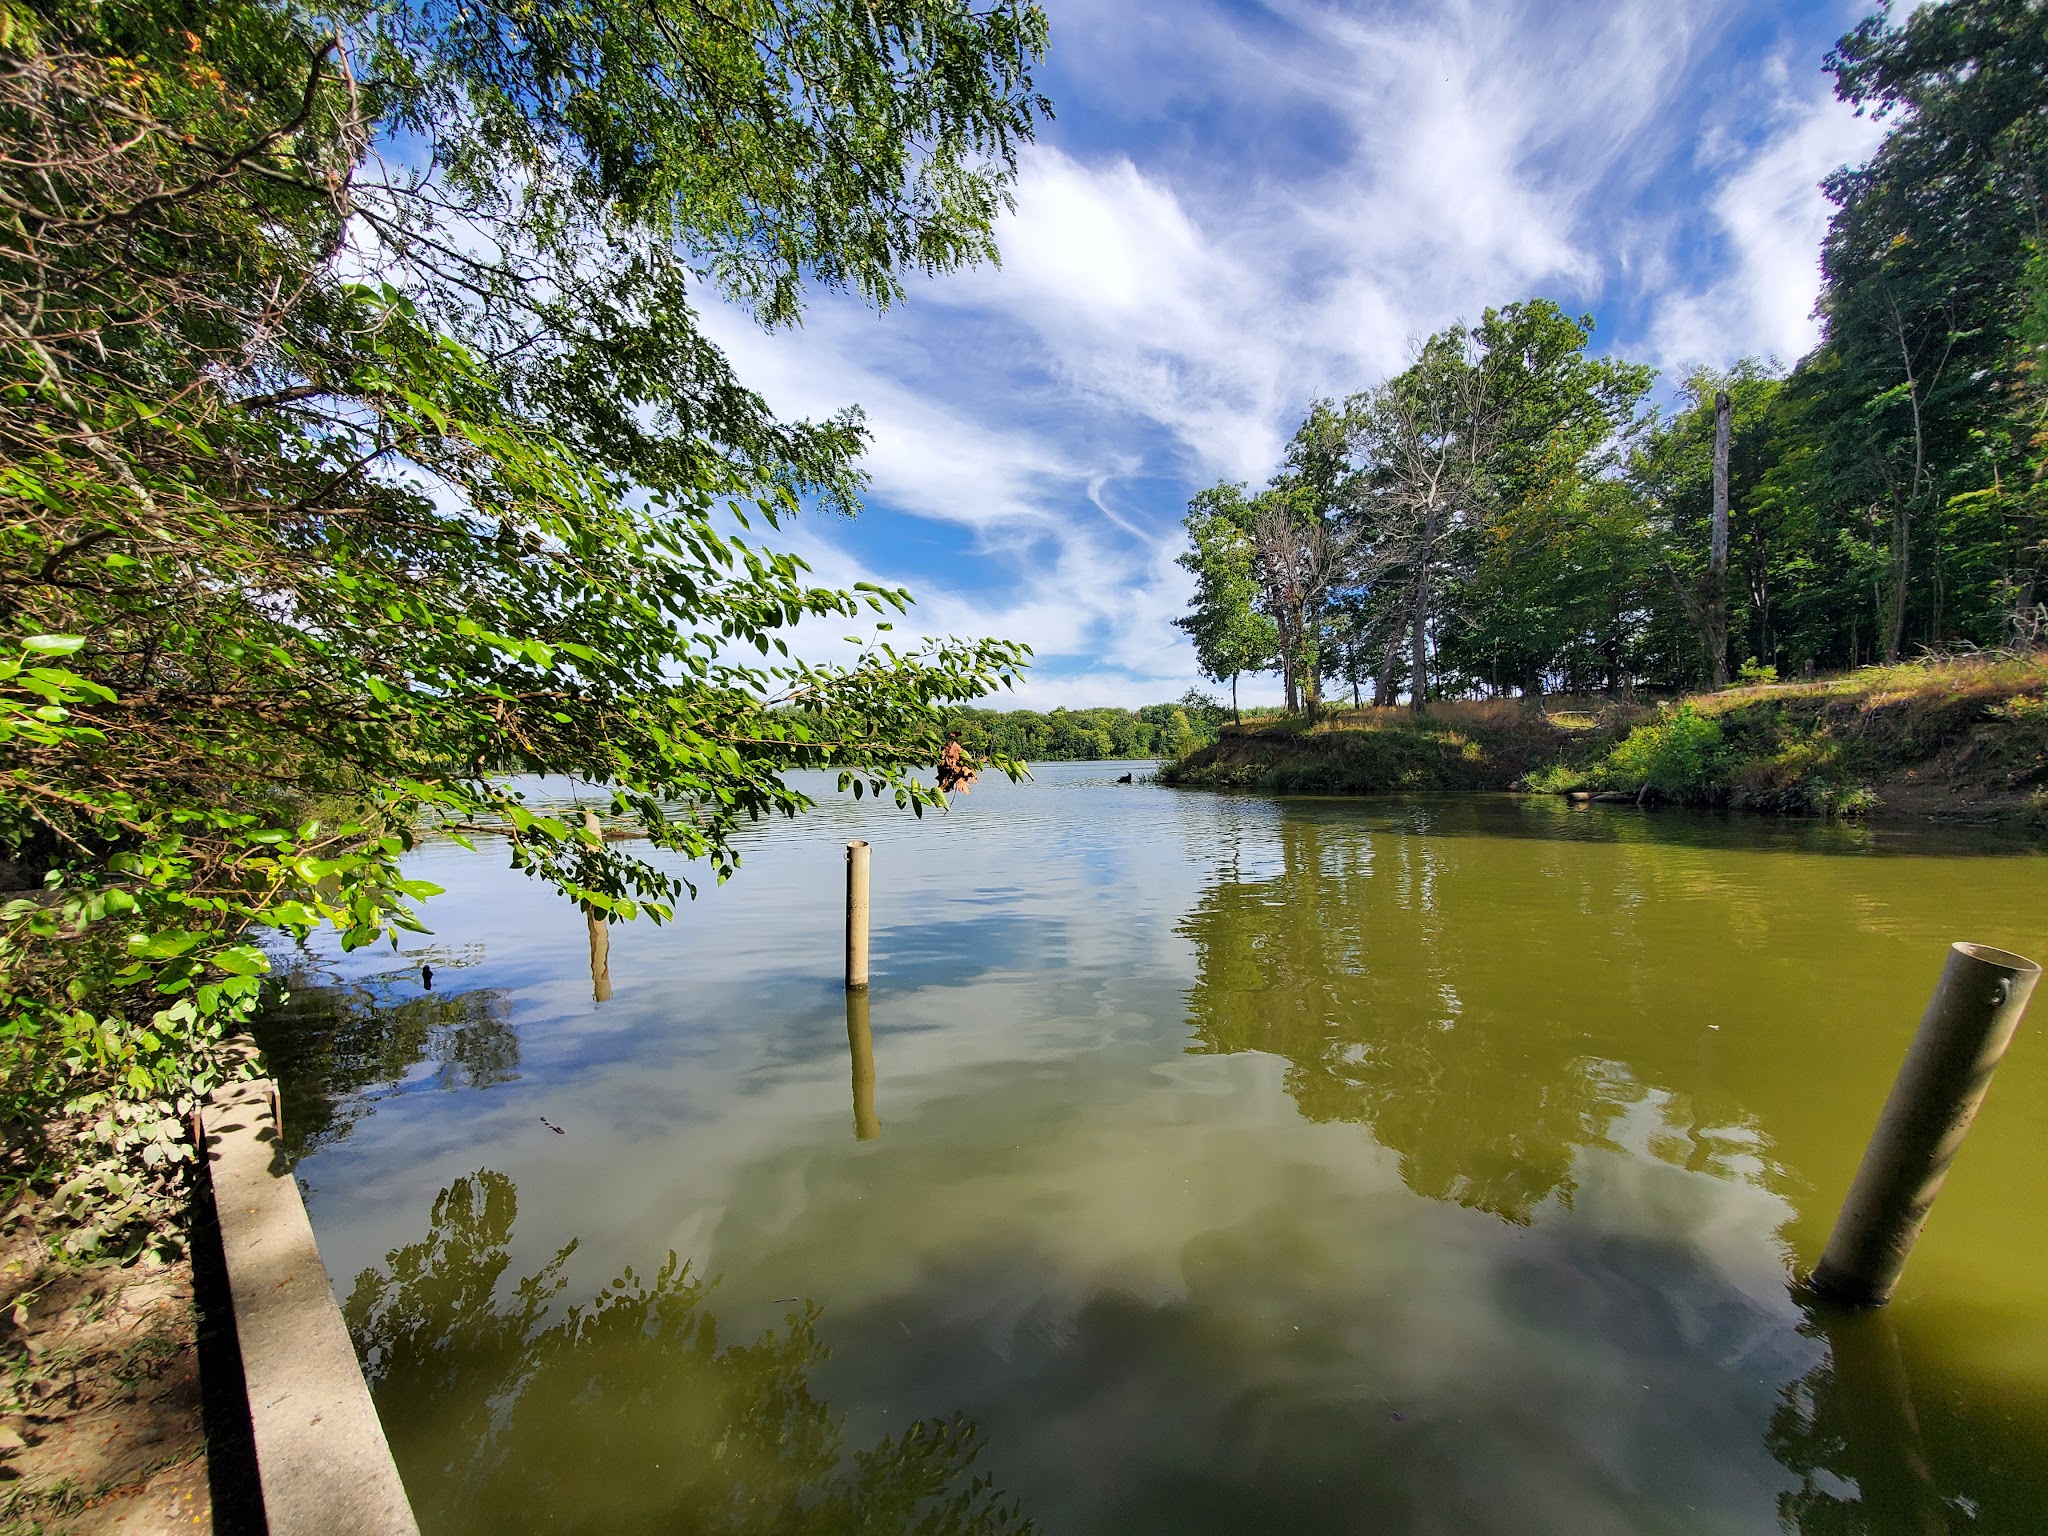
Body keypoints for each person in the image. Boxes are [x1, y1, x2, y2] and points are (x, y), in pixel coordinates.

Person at [937, 730, 979, 794]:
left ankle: (940, 791)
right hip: (949, 768)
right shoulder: (949, 748)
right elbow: (943, 756)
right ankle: (940, 791)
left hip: (954, 768)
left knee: (962, 773)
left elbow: (961, 757)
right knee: (944, 781)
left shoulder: (957, 748)